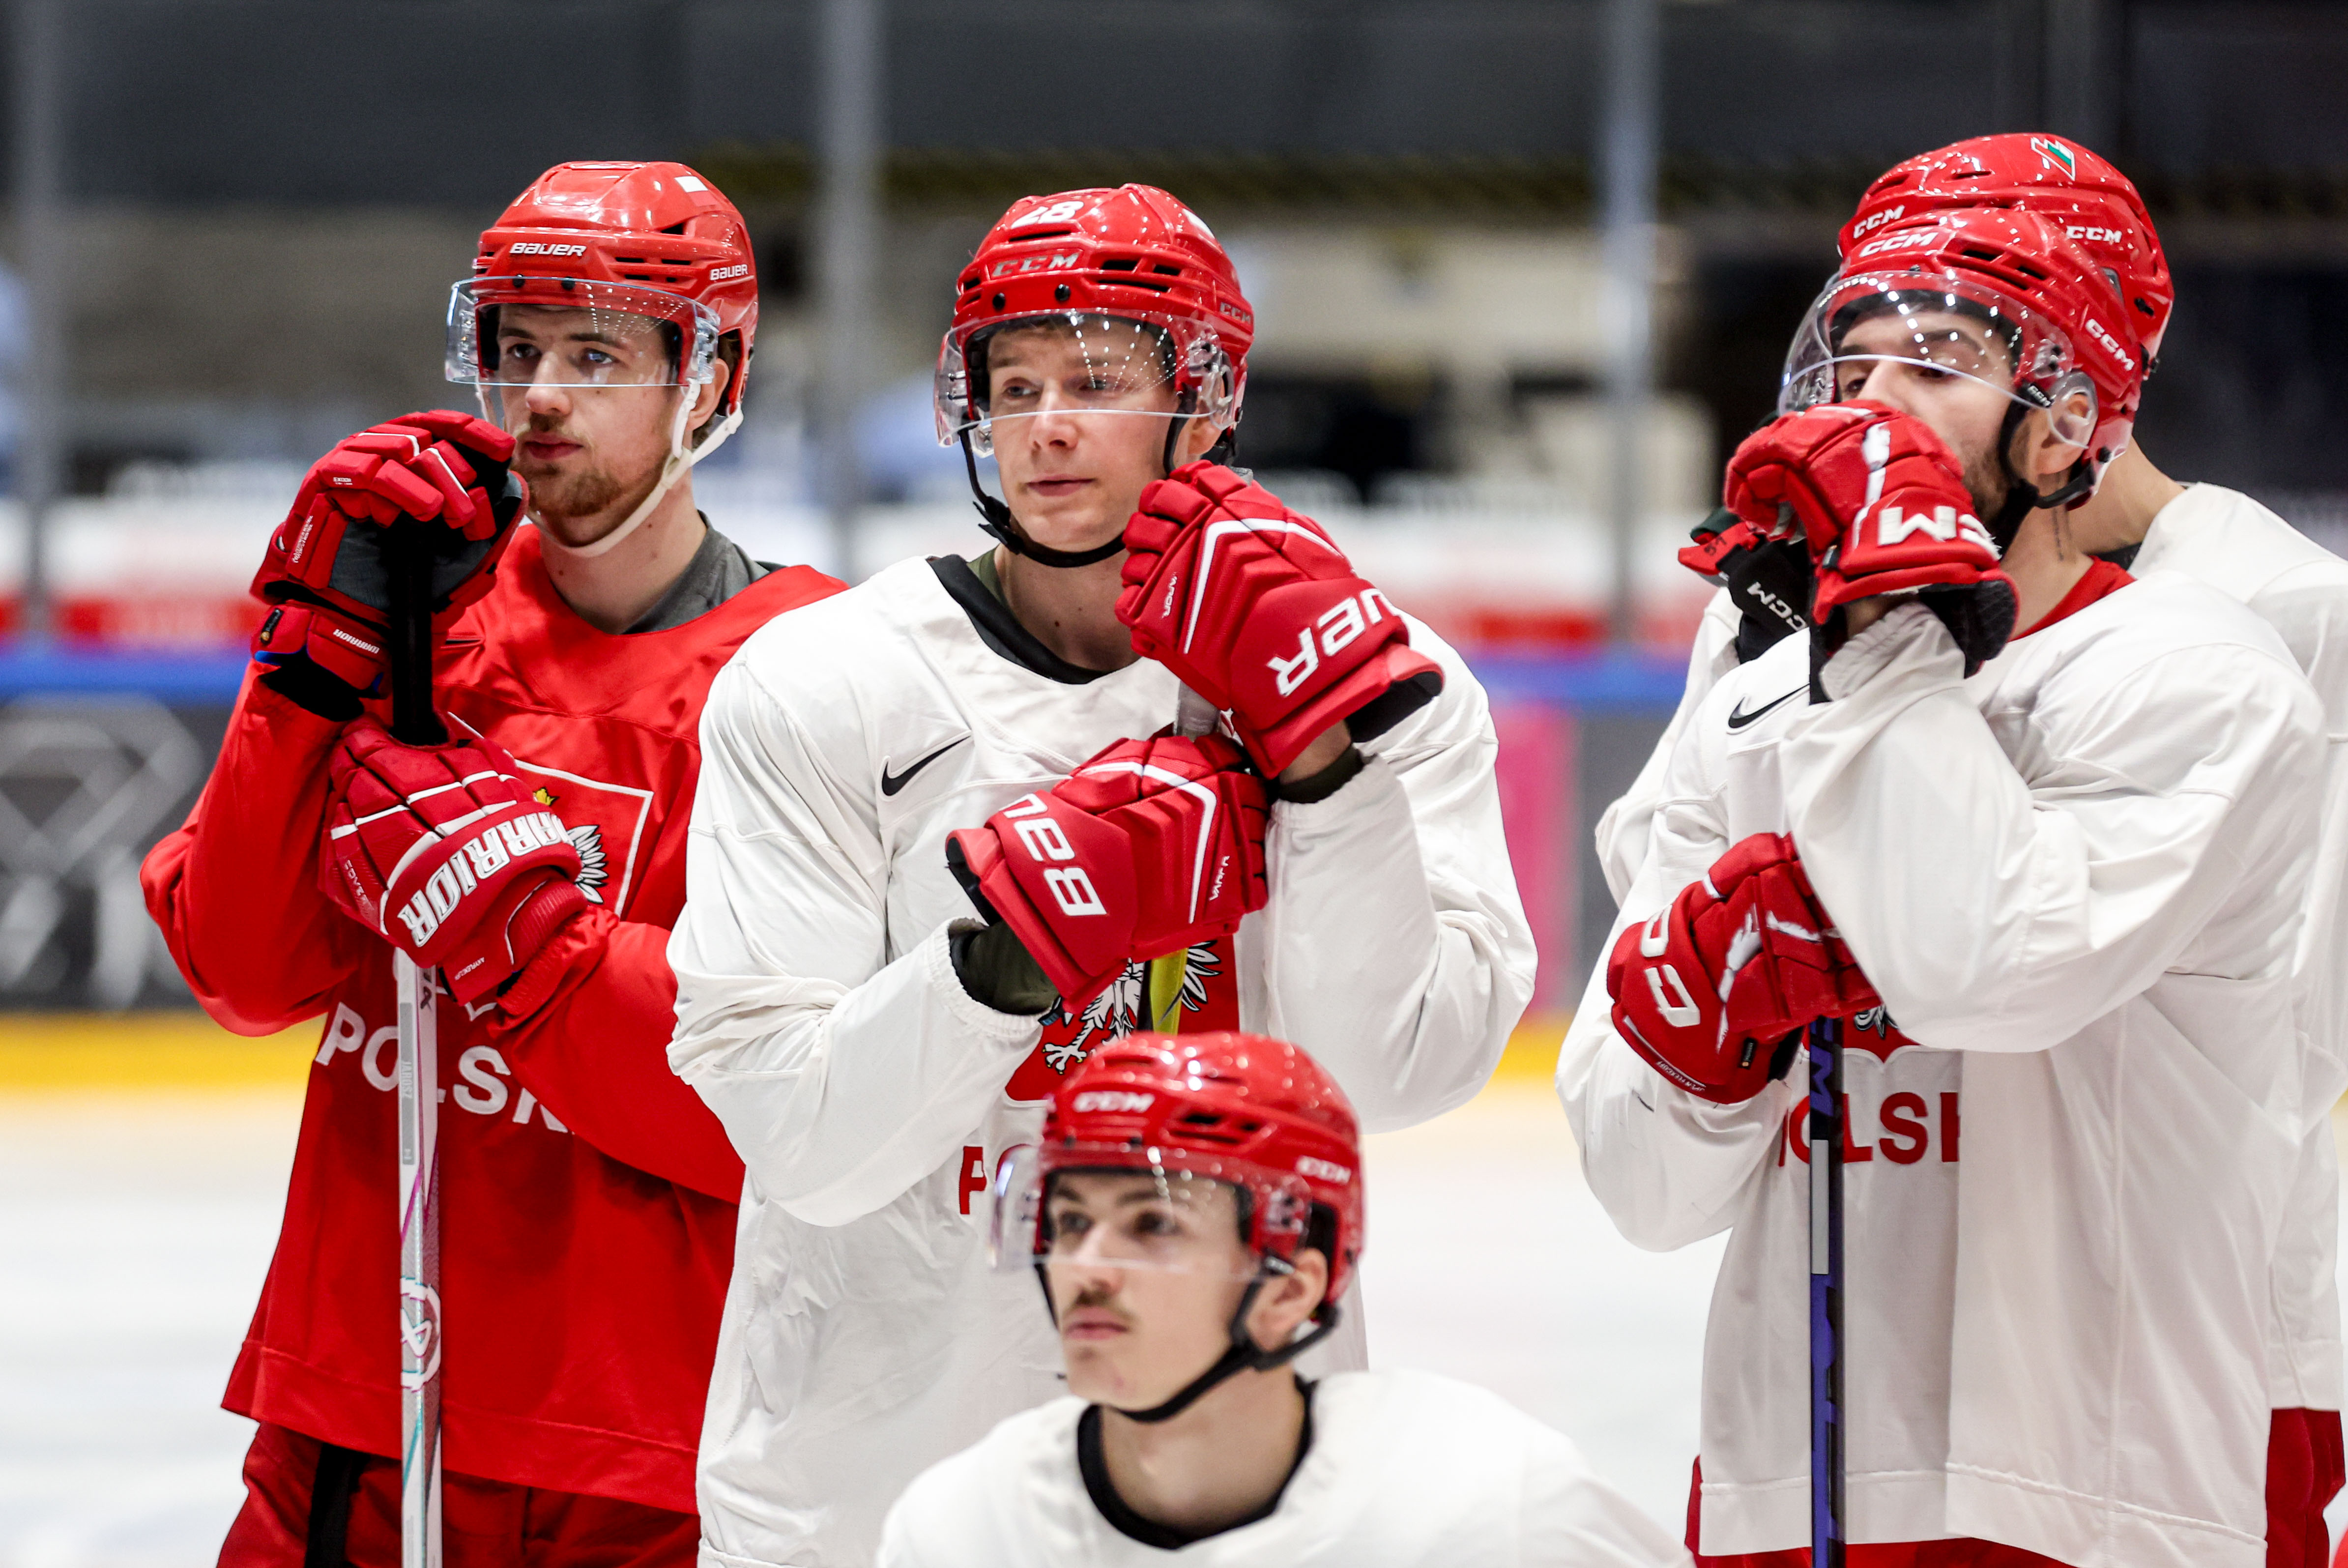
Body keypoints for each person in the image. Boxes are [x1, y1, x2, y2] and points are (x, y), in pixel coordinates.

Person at [667, 182, 1536, 1567]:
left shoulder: (1386, 681)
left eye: (1096, 380)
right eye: (1013, 385)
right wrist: (1011, 951)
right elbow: (799, 1139)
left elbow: (1394, 1074)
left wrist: (1323, 769)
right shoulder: (824, 680)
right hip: (867, 1496)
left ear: (1207, 398)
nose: (1046, 425)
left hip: (1233, 1492)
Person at [1601, 132, 2348, 1568]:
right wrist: (1706, 1015)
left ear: (2078, 382)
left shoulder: (2266, 624)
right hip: (1834, 1390)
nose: (1880, 399)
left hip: (2139, 1362)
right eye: (1860, 347)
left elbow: (2273, 1033)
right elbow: (1660, 968)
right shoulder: (1773, 631)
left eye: (1943, 349)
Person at [142, 160, 841, 1564]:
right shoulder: (413, 622)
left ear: (710, 380)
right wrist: (305, 664)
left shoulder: (815, 672)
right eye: (516, 348)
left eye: (597, 356)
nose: (540, 398)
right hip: (353, 1419)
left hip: (645, 1446)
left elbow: (782, 1110)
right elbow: (242, 970)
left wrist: (514, 924)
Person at [873, 1030, 1687, 1567]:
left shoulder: (1486, 1505)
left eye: (1152, 1224)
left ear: (1291, 1287)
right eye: (1071, 1219)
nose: (1086, 1265)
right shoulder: (961, 1526)